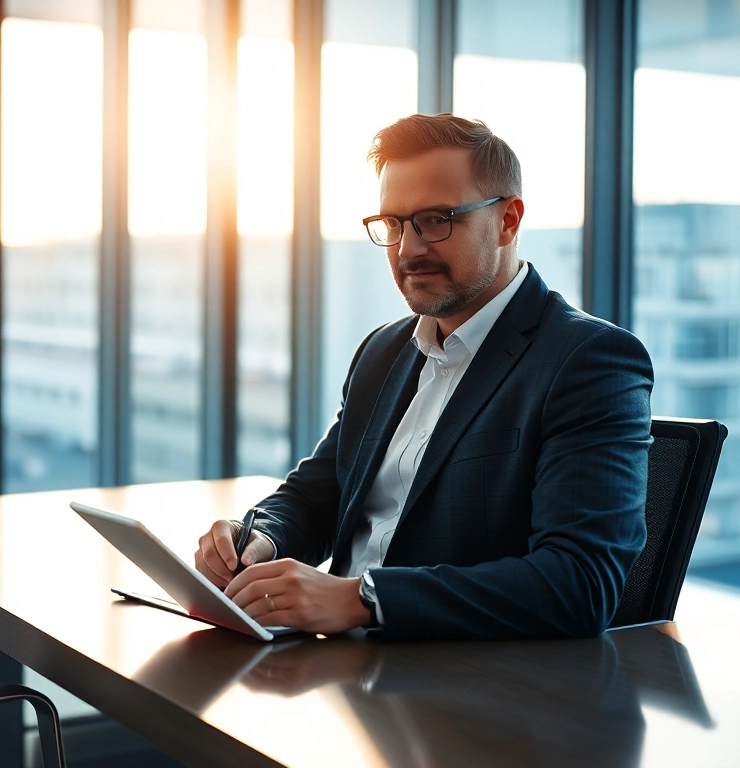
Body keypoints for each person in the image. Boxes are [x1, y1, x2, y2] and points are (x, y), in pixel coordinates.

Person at [194, 113, 654, 640]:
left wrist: (361, 599)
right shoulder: (383, 351)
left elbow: (580, 583)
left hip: (457, 685)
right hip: (337, 667)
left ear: (508, 220)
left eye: (436, 219)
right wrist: (258, 539)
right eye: (393, 224)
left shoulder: (589, 360)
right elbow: (317, 497)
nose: (408, 250)